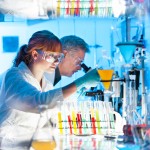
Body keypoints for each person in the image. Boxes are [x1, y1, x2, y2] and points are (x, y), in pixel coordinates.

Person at [0, 30, 100, 149]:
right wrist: (80, 82)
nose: (57, 61)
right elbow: (39, 103)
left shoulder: (46, 84)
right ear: (35, 54)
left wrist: (76, 93)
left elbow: (53, 111)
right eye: (51, 56)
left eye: (59, 57)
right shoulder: (13, 76)